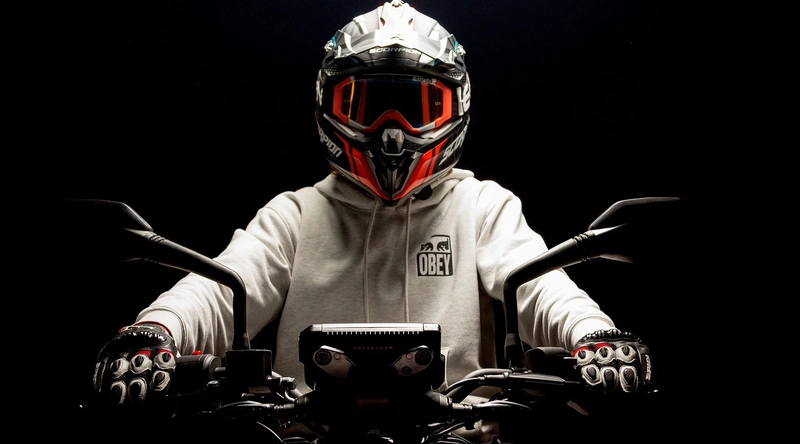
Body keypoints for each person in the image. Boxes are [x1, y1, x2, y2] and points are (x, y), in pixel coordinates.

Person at [92, 0, 653, 438]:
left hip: (458, 441)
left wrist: (594, 336)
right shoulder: (296, 215)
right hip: (306, 439)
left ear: (455, 108)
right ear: (328, 106)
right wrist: (155, 332)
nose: (392, 133)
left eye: (418, 108)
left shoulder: (483, 207)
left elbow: (541, 286)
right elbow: (222, 288)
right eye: (365, 106)